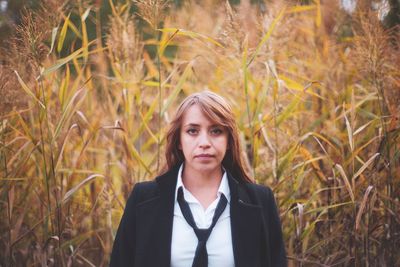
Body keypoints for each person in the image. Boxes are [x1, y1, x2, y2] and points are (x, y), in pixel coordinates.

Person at [110, 91, 287, 267]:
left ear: (229, 141)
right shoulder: (144, 199)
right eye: (192, 131)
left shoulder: (260, 201)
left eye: (216, 131)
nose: (204, 142)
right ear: (179, 140)